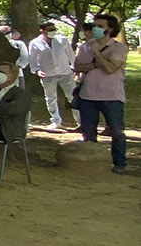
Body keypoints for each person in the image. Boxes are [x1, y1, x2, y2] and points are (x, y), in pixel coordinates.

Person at [73, 13, 129, 174]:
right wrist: (97, 64)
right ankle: (92, 162)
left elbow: (112, 69)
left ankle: (119, 163)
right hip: (87, 95)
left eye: (100, 26)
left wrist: (97, 54)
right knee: (88, 131)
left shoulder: (119, 48)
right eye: (95, 25)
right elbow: (77, 67)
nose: (96, 29)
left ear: (110, 29)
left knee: (116, 131)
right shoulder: (85, 46)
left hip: (112, 96)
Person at [30, 21, 78, 130]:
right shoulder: (35, 43)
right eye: (49, 30)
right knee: (51, 98)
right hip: (48, 74)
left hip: (65, 72)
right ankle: (56, 120)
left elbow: (71, 55)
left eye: (53, 29)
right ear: (42, 30)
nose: (52, 32)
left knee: (72, 97)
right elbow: (32, 60)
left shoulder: (62, 40)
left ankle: (80, 121)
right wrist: (37, 71)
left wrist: (76, 69)